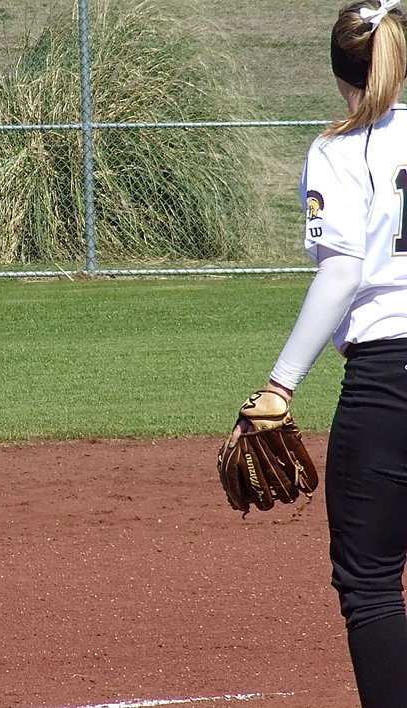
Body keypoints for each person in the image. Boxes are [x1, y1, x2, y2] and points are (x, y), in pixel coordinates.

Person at [228, 1, 407, 703]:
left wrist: (281, 384)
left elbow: (343, 271)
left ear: (339, 71)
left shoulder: (340, 148)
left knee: (370, 580)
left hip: (389, 377)